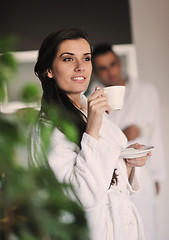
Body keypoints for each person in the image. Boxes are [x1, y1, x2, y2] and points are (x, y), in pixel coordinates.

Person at [29, 29, 151, 240]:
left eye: (86, 58)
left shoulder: (91, 110)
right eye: (68, 59)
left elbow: (112, 182)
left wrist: (128, 162)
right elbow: (81, 196)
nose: (80, 67)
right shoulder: (46, 130)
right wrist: (92, 128)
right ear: (49, 70)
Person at [90, 44, 166, 240]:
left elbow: (156, 132)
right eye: (103, 68)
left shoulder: (146, 92)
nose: (110, 72)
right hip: (110, 179)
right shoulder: (93, 98)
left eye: (112, 64)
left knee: (147, 231)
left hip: (143, 175)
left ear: (120, 62)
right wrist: (123, 134)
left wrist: (158, 176)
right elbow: (93, 139)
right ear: (96, 71)